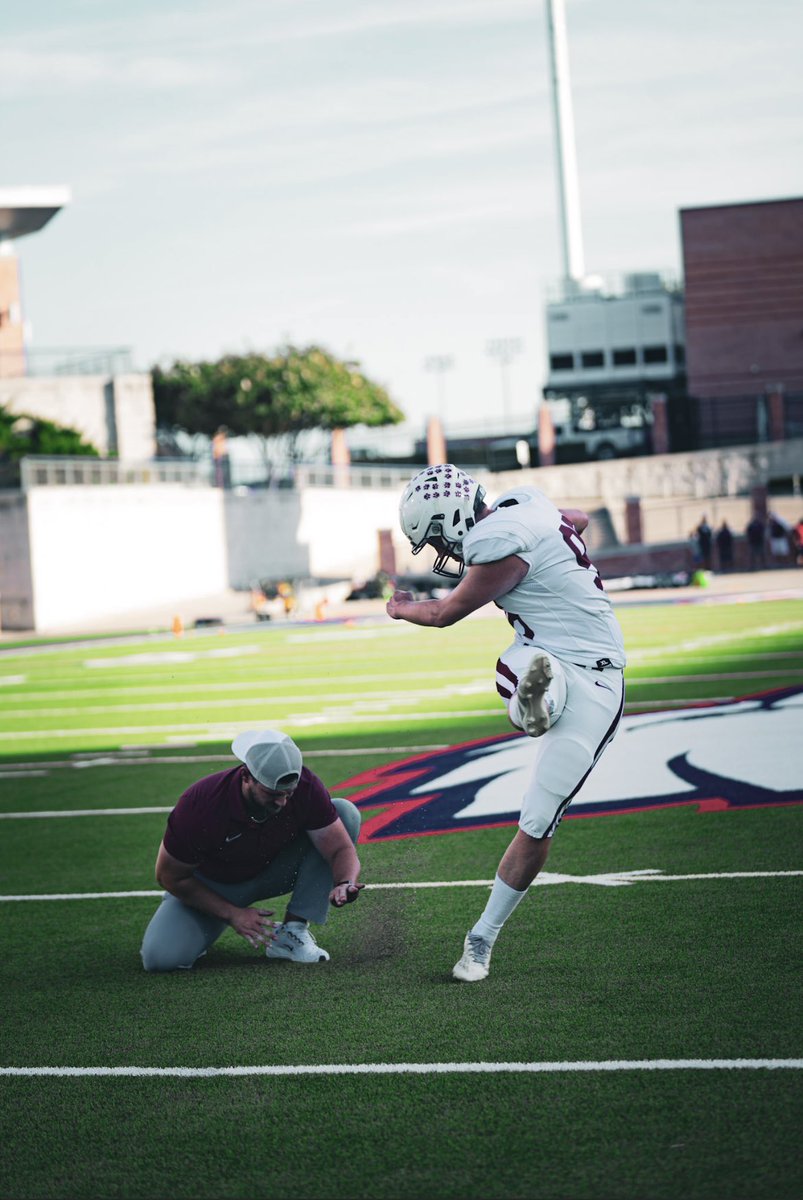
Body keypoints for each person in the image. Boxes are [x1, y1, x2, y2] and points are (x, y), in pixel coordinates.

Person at [387, 464, 626, 983]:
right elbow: (578, 518)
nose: (440, 551)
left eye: (434, 538)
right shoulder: (524, 504)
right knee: (527, 667)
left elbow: (446, 612)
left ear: (449, 519)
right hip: (588, 665)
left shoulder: (495, 544)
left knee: (538, 819)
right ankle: (537, 699)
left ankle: (482, 938)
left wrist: (402, 608)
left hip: (587, 683)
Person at [141, 730, 363, 971]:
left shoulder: (306, 787)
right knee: (160, 960)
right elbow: (169, 875)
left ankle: (293, 931)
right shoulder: (201, 804)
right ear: (246, 776)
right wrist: (232, 914)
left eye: (289, 794)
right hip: (214, 886)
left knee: (344, 812)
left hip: (273, 871)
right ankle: (202, 930)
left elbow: (340, 848)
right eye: (273, 794)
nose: (282, 803)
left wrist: (345, 881)